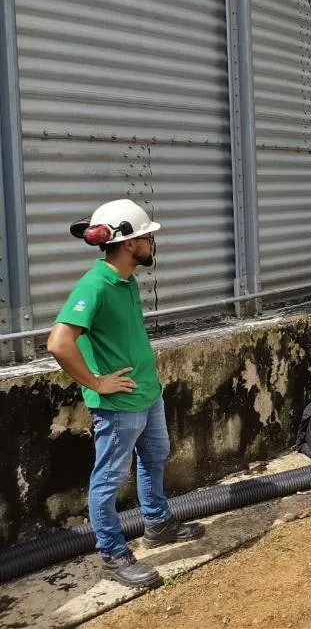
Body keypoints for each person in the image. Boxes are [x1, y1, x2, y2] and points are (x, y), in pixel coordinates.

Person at [47, 200, 203, 589]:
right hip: (118, 405)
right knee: (108, 480)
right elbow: (59, 343)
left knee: (154, 457)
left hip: (147, 394)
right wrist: (96, 383)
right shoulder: (94, 285)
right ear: (129, 243)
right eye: (147, 236)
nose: (152, 241)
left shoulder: (126, 279)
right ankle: (114, 555)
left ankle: (157, 524)